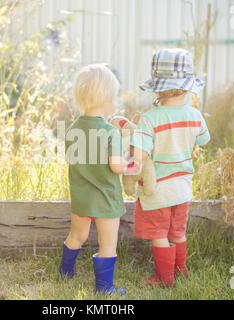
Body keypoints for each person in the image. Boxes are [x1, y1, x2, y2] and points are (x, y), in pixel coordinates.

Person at [130, 48, 211, 287]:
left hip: (158, 189)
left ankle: (164, 279)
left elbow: (140, 155)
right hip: (183, 187)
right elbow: (204, 140)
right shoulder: (195, 115)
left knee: (159, 234)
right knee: (177, 231)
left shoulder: (149, 119)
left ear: (156, 87)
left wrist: (128, 148)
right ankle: (180, 270)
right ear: (187, 85)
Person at [57, 64, 131, 296]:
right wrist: (128, 162)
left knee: (76, 235)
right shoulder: (111, 132)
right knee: (107, 243)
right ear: (109, 98)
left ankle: (64, 273)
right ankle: (104, 288)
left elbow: (71, 158)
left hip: (81, 197)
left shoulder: (71, 129)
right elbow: (115, 166)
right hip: (106, 199)